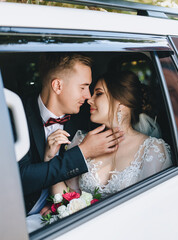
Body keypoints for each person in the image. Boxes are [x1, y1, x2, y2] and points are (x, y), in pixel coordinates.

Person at [26, 70, 172, 232]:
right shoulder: (81, 141)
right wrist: (50, 157)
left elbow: (153, 212)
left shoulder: (152, 150)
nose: (89, 99)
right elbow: (67, 199)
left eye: (99, 94)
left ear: (121, 103)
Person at [19, 53, 124, 216]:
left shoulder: (86, 117)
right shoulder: (17, 115)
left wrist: (55, 207)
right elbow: (21, 178)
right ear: (58, 86)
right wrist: (82, 152)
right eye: (83, 87)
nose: (88, 96)